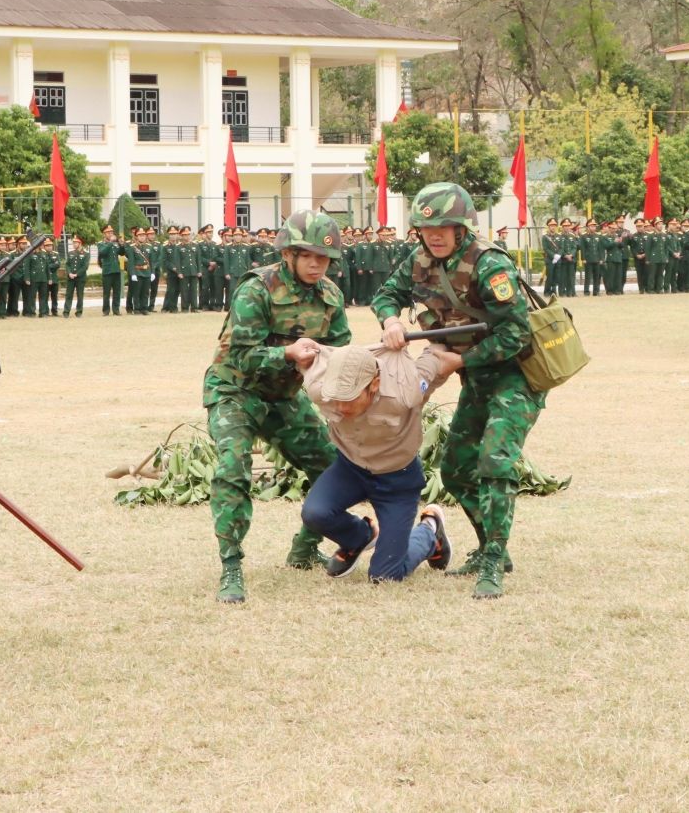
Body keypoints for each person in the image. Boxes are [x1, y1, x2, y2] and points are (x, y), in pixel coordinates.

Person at [372, 182, 544, 600]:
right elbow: (386, 293)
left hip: (515, 376)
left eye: (445, 227)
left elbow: (517, 334)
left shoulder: (489, 264)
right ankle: (491, 546)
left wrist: (460, 361)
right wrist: (391, 320)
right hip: (477, 379)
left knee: (495, 461)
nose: (435, 235)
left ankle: (492, 560)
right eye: (427, 228)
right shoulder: (420, 260)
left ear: (462, 228)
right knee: (456, 469)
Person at [202, 210, 353, 604]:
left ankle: (304, 548)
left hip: (285, 396)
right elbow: (244, 355)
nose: (317, 263)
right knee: (232, 468)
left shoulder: (331, 296)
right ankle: (231, 566)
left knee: (335, 467)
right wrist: (287, 353)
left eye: (324, 257)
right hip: (236, 390)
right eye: (308, 255)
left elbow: (338, 353)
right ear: (288, 253)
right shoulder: (258, 289)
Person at [300, 343, 463, 581]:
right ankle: (360, 537)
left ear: (374, 385)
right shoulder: (319, 388)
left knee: (385, 576)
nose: (341, 407)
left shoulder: (403, 392)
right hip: (350, 468)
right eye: (337, 398)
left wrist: (454, 355)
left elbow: (434, 364)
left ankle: (430, 532)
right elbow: (301, 354)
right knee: (315, 513)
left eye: (350, 398)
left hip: (397, 479)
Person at [96, 226, 124, 316]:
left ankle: (116, 310)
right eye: (108, 233)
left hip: (116, 270)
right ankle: (106, 310)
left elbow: (122, 253)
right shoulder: (101, 244)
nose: (110, 234)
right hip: (107, 271)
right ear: (104, 234)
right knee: (106, 293)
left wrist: (121, 244)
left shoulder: (115, 243)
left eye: (111, 232)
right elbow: (102, 253)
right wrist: (110, 243)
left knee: (117, 292)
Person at [63, 235, 89, 317]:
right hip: (70, 277)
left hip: (80, 278)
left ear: (80, 243)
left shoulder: (86, 254)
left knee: (80, 295)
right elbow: (67, 265)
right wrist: (69, 273)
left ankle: (79, 311)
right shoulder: (71, 253)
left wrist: (77, 274)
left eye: (76, 243)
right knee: (68, 295)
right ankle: (66, 311)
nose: (74, 244)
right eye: (73, 243)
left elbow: (85, 266)